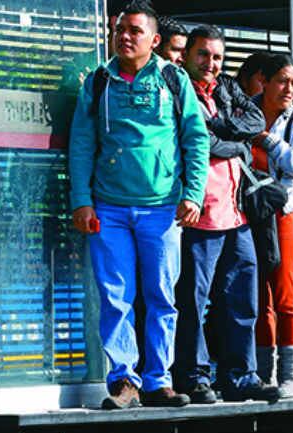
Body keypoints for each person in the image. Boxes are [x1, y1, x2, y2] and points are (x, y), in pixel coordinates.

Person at [68, 1, 209, 409]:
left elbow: (195, 140)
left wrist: (192, 194)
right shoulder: (98, 81)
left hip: (163, 209)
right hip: (108, 208)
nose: (125, 37)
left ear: (155, 39)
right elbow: (81, 144)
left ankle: (157, 381)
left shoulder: (173, 79)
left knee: (163, 296)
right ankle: (123, 382)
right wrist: (82, 201)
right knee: (115, 296)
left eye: (134, 30)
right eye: (119, 30)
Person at [172, 25, 280, 403]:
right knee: (192, 301)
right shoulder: (176, 90)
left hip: (236, 214)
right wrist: (233, 143)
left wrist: (225, 135)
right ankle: (193, 375)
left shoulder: (228, 89)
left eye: (217, 57)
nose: (211, 64)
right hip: (198, 214)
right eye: (203, 54)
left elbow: (253, 123)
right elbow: (199, 140)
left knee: (241, 299)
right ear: (187, 55)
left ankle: (239, 375)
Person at [252, 54, 293, 398]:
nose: (289, 89)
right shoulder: (244, 112)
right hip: (247, 213)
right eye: (282, 81)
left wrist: (270, 141)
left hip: (284, 213)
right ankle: (263, 375)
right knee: (257, 296)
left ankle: (292, 377)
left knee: (288, 295)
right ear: (264, 81)